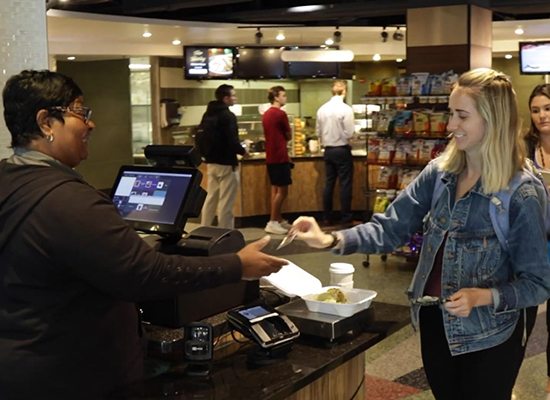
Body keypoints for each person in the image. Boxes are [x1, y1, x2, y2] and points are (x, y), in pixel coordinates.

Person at [0, 70, 286, 399]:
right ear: (46, 122)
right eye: (80, 112)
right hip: (69, 374)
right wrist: (237, 265)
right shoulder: (68, 199)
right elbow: (144, 274)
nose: (90, 124)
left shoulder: (9, 179)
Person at [292, 68, 550, 400]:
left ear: (493, 120)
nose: (450, 125)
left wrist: (482, 296)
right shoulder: (440, 173)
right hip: (434, 320)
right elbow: (391, 228)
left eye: (461, 116)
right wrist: (331, 239)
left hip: (490, 333)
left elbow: (538, 283)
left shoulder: (522, 192)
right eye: (450, 114)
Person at [525, 83, 550, 400]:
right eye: (535, 110)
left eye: (547, 108)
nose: (542, 115)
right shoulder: (524, 149)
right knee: (526, 311)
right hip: (533, 241)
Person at [200, 84, 247, 229]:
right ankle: (225, 233)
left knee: (211, 198)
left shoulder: (208, 114)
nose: (235, 98)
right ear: (226, 98)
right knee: (226, 202)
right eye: (233, 95)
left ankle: (204, 228)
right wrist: (243, 152)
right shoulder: (228, 116)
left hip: (211, 163)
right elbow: (233, 141)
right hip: (226, 164)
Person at [316, 80, 355, 226]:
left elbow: (318, 132)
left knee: (329, 183)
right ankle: (346, 217)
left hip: (328, 150)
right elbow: (350, 132)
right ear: (344, 91)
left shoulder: (322, 109)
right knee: (345, 184)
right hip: (342, 150)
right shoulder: (346, 109)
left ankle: (327, 216)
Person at [262, 85, 292, 235]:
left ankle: (278, 219)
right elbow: (288, 135)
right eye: (283, 95)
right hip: (280, 156)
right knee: (283, 191)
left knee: (275, 189)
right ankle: (272, 221)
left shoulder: (266, 114)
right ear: (276, 97)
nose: (285, 98)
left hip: (270, 156)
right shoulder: (280, 114)